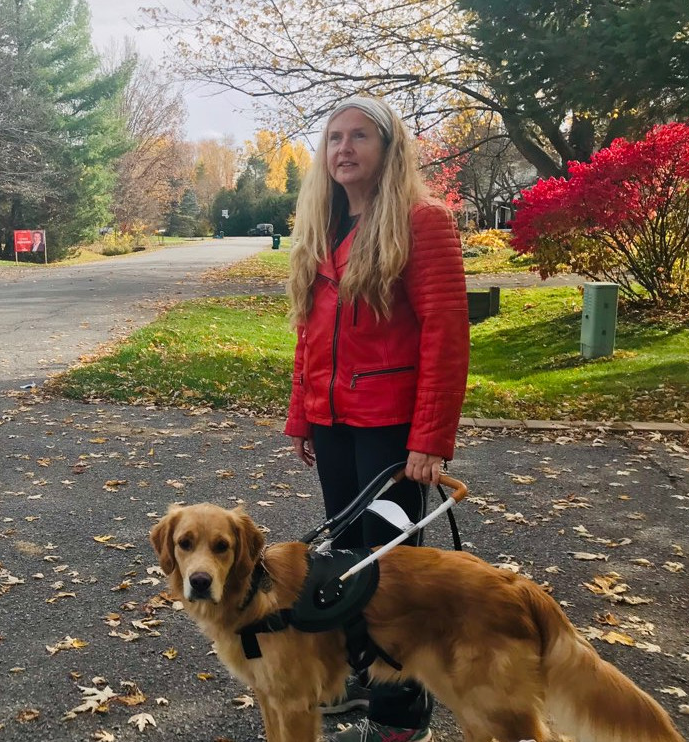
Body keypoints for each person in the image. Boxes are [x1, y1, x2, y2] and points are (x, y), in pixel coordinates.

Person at [284, 96, 469, 742]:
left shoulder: (423, 223)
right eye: (334, 137)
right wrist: (301, 417)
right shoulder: (323, 225)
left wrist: (430, 441)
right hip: (333, 425)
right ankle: (364, 677)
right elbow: (310, 333)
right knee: (346, 565)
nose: (344, 148)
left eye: (359, 135)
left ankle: (401, 713)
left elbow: (447, 334)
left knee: (390, 573)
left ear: (389, 149)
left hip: (392, 432)